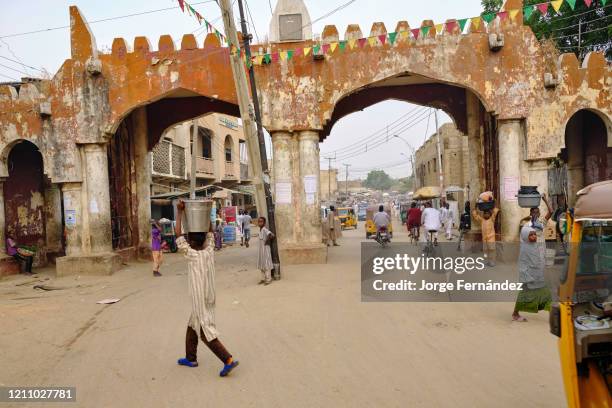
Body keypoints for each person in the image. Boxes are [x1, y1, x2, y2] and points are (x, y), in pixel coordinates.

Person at [174, 200, 239, 376]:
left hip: (200, 299)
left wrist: (180, 213)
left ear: (191, 242)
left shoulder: (192, 254)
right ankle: (191, 358)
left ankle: (228, 359)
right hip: (208, 297)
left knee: (204, 331)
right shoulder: (209, 250)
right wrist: (206, 214)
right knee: (191, 325)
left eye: (188, 238)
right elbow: (210, 233)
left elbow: (178, 235)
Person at [512, 225, 552, 322]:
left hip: (538, 275)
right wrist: (526, 277)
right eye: (531, 235)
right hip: (529, 277)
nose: (534, 236)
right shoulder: (524, 249)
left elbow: (538, 260)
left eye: (534, 234)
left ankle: (554, 315)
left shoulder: (535, 245)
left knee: (547, 295)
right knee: (523, 295)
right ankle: (515, 314)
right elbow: (522, 264)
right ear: (526, 236)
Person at [257, 216, 275, 285]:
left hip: (266, 249)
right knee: (262, 264)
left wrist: (267, 240)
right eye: (259, 221)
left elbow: (272, 235)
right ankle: (263, 278)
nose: (259, 223)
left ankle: (268, 279)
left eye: (261, 221)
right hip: (261, 250)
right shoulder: (260, 230)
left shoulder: (264, 229)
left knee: (266, 263)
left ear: (264, 223)